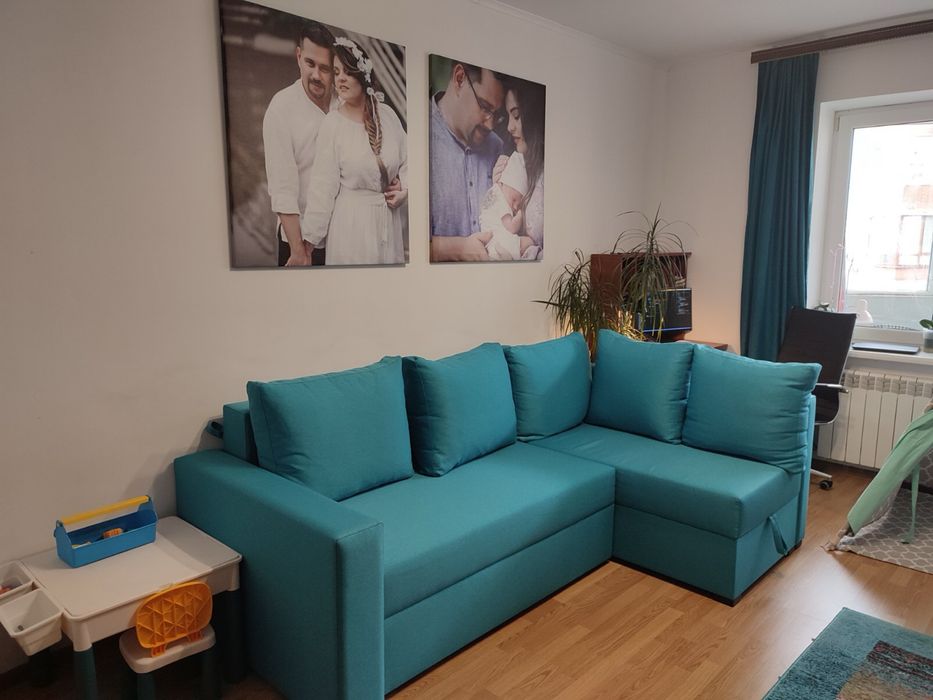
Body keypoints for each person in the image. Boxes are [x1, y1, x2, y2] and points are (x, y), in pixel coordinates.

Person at [301, 38, 408, 265]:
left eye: (347, 72)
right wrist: (309, 240)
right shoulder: (333, 124)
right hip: (351, 225)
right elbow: (323, 186)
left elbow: (410, 162)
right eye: (336, 72)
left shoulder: (387, 116)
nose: (340, 78)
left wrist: (405, 190)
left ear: (363, 74)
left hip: (387, 221)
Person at [262, 21, 336, 267]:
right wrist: (298, 251)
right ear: (298, 56)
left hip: (343, 237)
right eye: (310, 63)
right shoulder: (281, 108)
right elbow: (282, 188)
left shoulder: (345, 103)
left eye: (325, 68)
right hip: (299, 241)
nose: (316, 75)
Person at [429, 60, 507, 261]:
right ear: (459, 78)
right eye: (485, 107)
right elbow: (400, 242)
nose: (490, 124)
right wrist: (458, 249)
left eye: (497, 114)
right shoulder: (417, 137)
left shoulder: (497, 148)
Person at [502, 80, 545, 259]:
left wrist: (524, 247)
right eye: (508, 117)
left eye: (517, 116)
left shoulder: (551, 172)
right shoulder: (518, 165)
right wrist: (501, 190)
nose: (509, 127)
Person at [479, 152, 534, 260]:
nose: (515, 207)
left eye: (519, 205)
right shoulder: (501, 199)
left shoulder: (493, 192)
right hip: (500, 241)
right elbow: (511, 228)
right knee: (529, 242)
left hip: (491, 241)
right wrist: (521, 213)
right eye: (514, 200)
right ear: (504, 183)